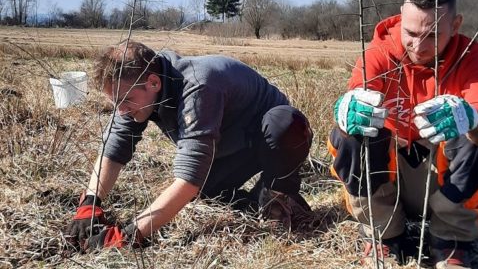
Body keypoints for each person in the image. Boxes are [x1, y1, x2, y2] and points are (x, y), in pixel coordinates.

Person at [328, 0, 478, 269]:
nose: (419, 46)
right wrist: (345, 112)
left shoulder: (474, 59)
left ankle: (450, 241)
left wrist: (471, 119)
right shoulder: (378, 54)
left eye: (433, 35)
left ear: (456, 23)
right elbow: (353, 108)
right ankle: (384, 234)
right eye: (410, 33)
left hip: (439, 177)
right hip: (391, 175)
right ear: (401, 17)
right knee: (355, 132)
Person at [65, 40, 313, 251]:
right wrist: (90, 203)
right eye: (115, 102)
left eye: (126, 101)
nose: (121, 110)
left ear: (153, 83)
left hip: (270, 137)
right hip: (225, 142)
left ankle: (279, 195)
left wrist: (130, 234)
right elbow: (114, 147)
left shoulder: (198, 86)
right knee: (203, 194)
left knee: (283, 125)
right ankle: (255, 199)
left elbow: (189, 177)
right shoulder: (138, 90)